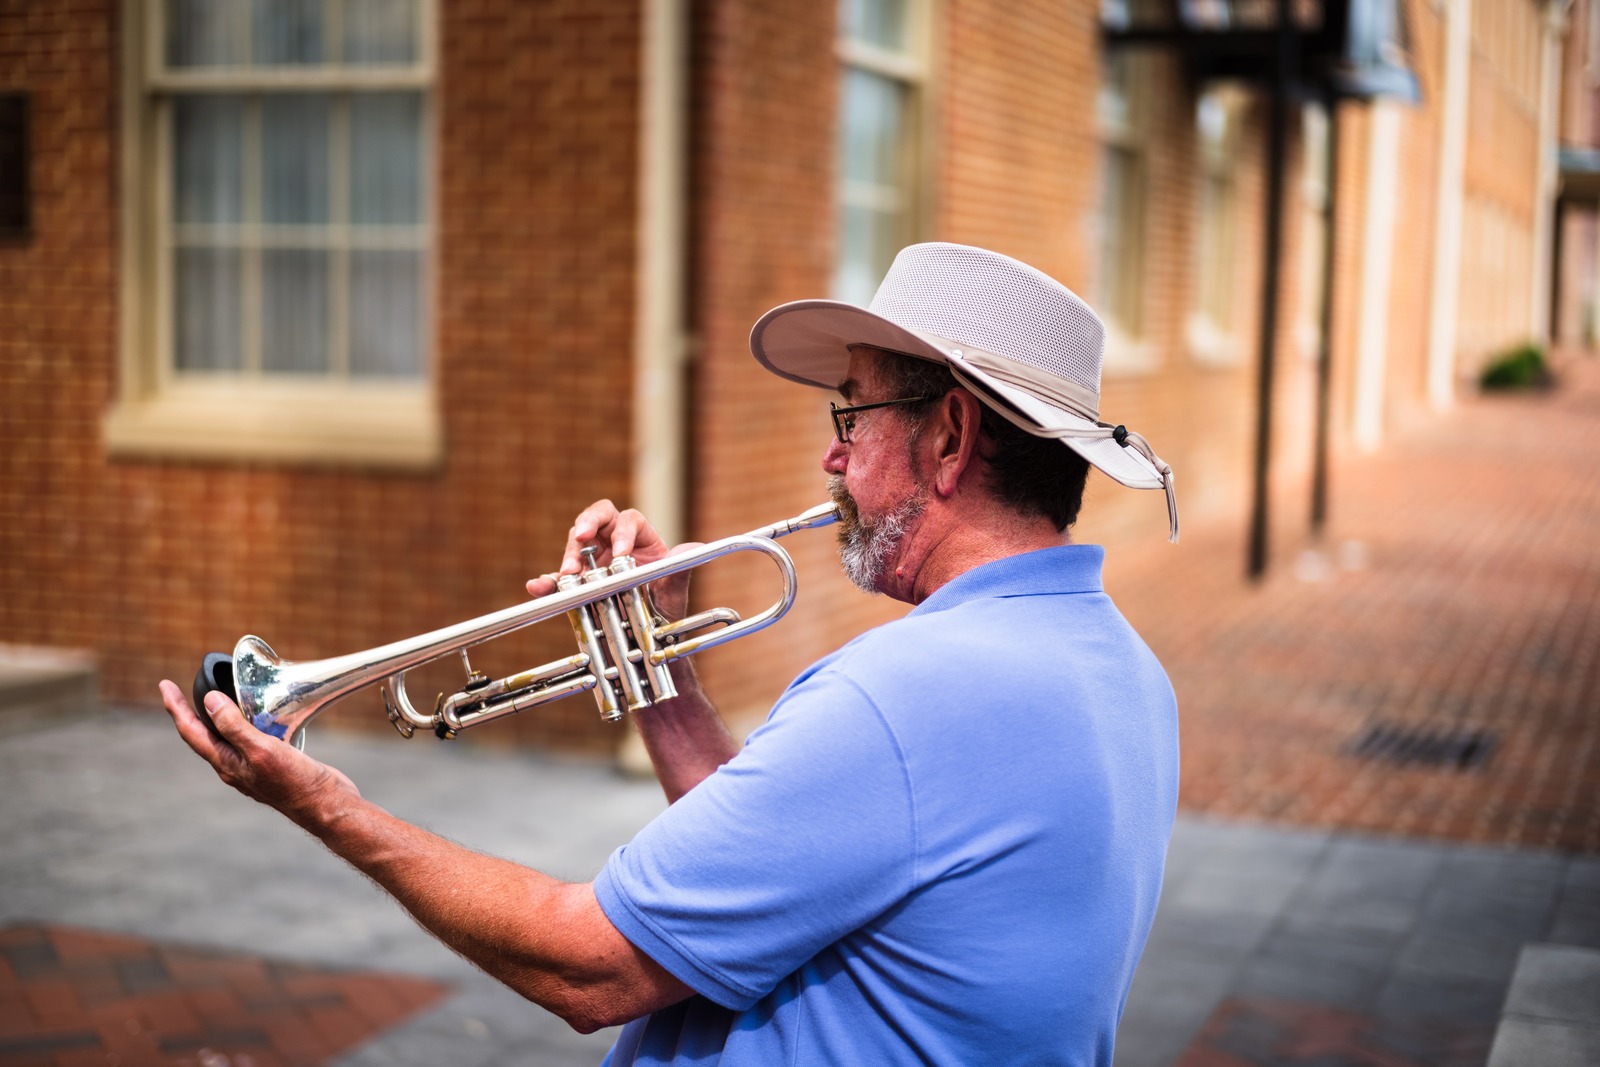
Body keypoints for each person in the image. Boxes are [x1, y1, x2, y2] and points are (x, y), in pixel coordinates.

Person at [161, 242, 1181, 1066]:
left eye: (851, 412)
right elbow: (780, 869)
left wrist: (324, 802)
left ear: (950, 436)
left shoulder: (905, 693)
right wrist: (659, 668)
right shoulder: (1128, 672)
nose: (831, 456)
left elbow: (586, 967)